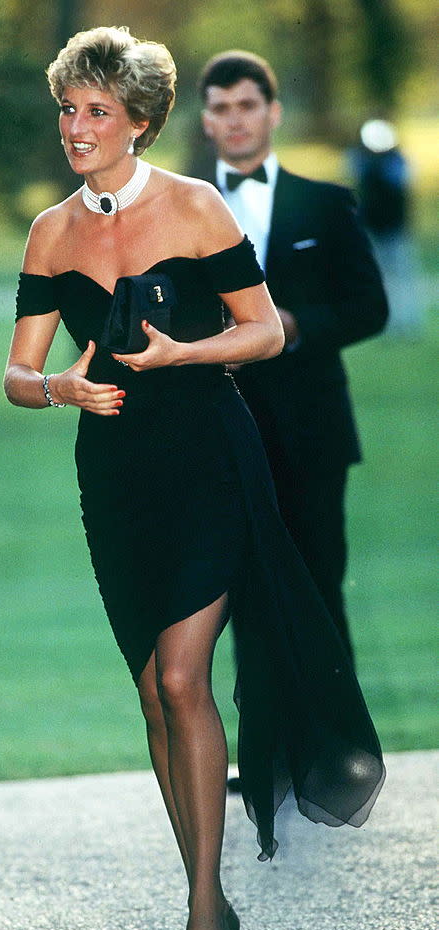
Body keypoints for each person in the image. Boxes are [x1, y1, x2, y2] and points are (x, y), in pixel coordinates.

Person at [4, 27, 385, 930]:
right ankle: (208, 889)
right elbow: (16, 372)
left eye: (96, 111)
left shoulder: (195, 204)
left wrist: (181, 355)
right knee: (150, 693)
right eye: (68, 108)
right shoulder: (50, 231)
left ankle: (202, 914)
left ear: (139, 120)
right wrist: (60, 390)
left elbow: (260, 334)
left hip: (212, 460)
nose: (76, 126)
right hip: (116, 479)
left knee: (183, 682)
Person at [195, 51, 389, 663]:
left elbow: (370, 307)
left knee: (321, 590)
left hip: (313, 430)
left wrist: (297, 324)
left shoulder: (325, 204)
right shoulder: (181, 212)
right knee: (246, 599)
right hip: (224, 434)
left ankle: (342, 760)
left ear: (273, 112)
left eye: (247, 105)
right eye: (221, 109)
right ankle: (266, 760)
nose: (235, 121)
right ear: (204, 120)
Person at [349, 118, 423, 334]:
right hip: (373, 227)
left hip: (395, 228)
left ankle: (409, 322)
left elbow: (398, 185)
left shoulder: (396, 161)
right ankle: (388, 322)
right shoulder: (362, 160)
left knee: (402, 274)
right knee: (381, 277)